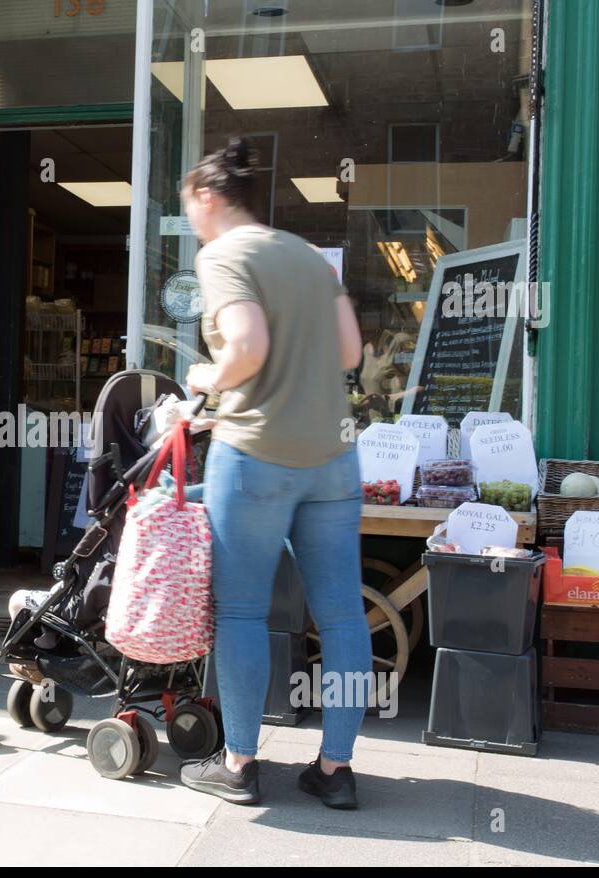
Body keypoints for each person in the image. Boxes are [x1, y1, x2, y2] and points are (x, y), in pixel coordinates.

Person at [176, 139, 371, 809]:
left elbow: (248, 347)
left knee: (242, 612)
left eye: (189, 207)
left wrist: (204, 378)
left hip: (256, 456)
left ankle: (239, 765)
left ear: (208, 197)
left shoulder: (224, 255)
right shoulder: (311, 258)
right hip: (334, 459)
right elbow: (350, 351)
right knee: (343, 616)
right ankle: (336, 769)